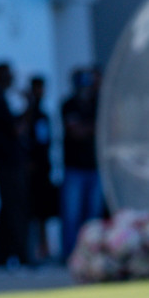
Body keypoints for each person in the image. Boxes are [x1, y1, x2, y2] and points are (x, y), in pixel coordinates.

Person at [0, 61, 29, 267]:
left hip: (8, 164)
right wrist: (30, 106)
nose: (11, 78)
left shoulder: (0, 100)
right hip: (7, 166)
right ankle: (19, 256)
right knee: (14, 210)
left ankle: (3, 257)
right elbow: (15, 130)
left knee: (10, 210)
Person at [59, 66, 102, 259]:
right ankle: (70, 255)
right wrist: (92, 128)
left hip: (95, 167)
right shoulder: (69, 105)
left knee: (94, 216)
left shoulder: (97, 104)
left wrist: (90, 128)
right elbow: (76, 132)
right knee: (72, 215)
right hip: (75, 169)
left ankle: (92, 255)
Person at [23, 74, 56, 263]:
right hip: (32, 172)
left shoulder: (43, 114)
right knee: (32, 213)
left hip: (44, 169)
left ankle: (44, 249)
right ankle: (33, 252)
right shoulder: (29, 115)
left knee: (44, 213)